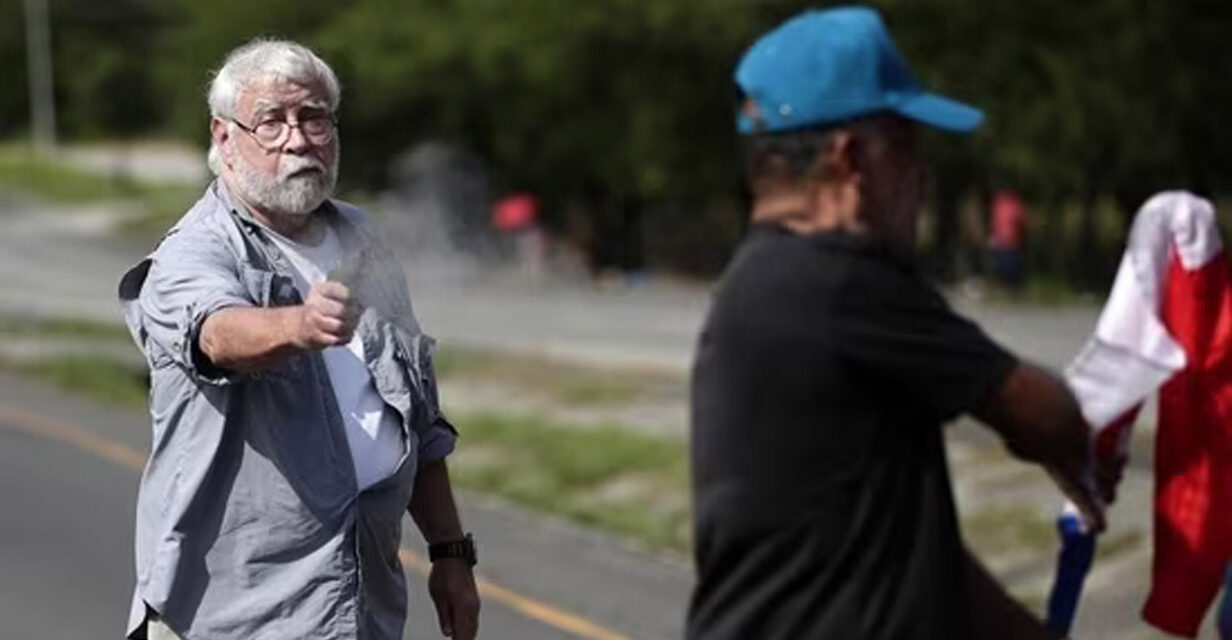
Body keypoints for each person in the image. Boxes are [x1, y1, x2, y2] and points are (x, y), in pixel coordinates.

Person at [687, 8, 1104, 639]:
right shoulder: (845, 282)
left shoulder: (761, 284)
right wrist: (1079, 443)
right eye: (907, 151)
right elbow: (1049, 419)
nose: (922, 178)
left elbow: (910, 550)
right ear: (853, 160)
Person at [117, 39, 480, 640]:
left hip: (361, 607)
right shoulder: (196, 250)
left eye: (314, 117)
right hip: (231, 618)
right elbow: (215, 332)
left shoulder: (362, 237)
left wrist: (450, 552)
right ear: (224, 137)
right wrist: (299, 326)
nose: (298, 138)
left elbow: (418, 418)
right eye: (272, 121)